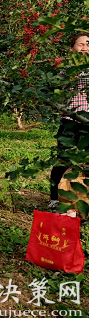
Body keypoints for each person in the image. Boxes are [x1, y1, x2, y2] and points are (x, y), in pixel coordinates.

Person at [49, 34, 89, 210]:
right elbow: (58, 89)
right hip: (70, 120)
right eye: (80, 45)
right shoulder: (66, 69)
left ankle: (84, 201)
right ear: (72, 48)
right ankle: (55, 198)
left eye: (87, 45)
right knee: (64, 159)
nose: (84, 48)